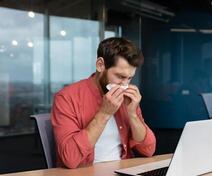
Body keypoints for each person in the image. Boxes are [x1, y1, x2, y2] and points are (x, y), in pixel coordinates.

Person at [51, 37, 156, 169]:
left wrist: (133, 114)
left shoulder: (127, 99)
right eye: (120, 77)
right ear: (100, 65)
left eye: (129, 78)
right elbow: (70, 159)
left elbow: (148, 150)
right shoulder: (67, 97)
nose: (125, 84)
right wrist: (104, 113)